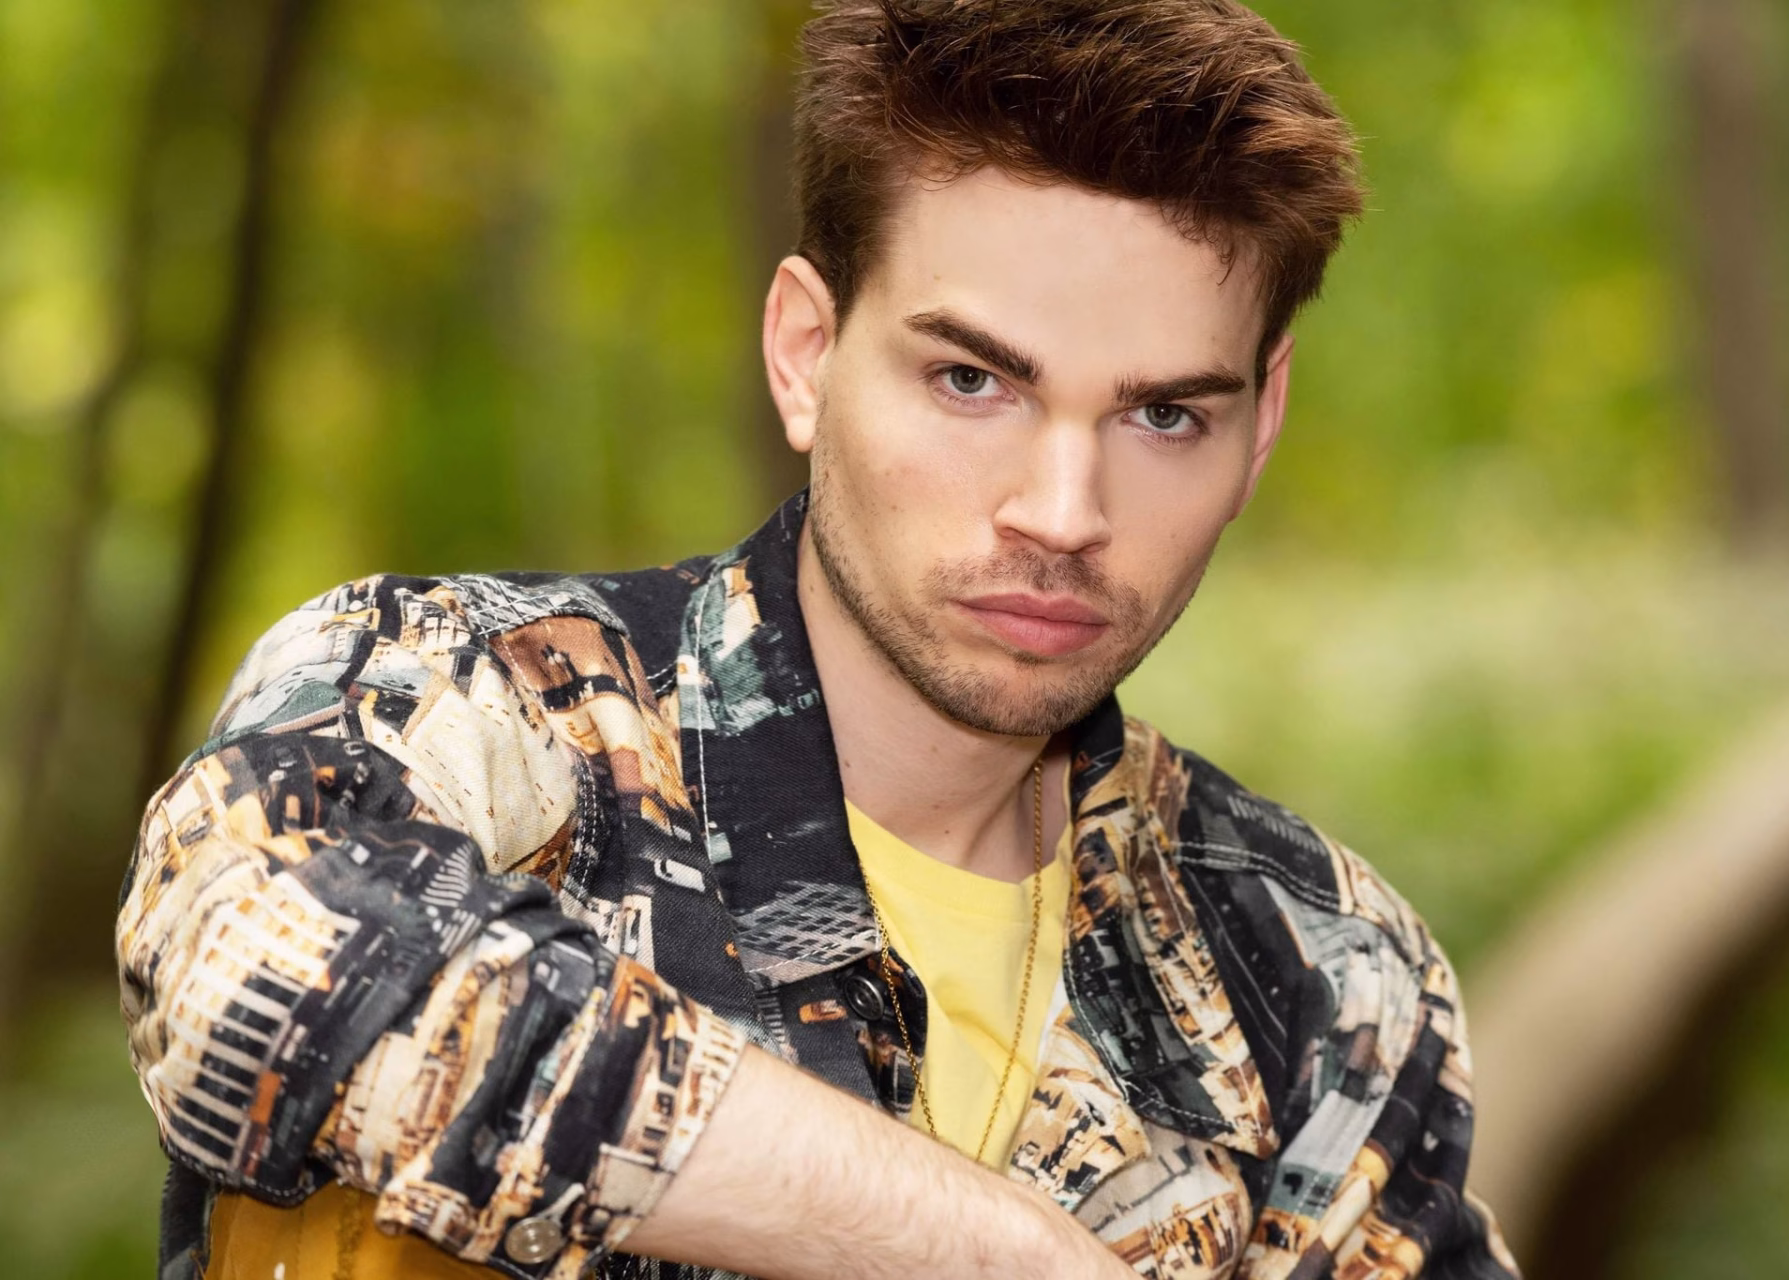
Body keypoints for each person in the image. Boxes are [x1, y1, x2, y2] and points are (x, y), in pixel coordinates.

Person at [117, 2, 1522, 1277]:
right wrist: (989, 1251)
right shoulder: (485, 702)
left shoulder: (1322, 969)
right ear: (805, 353)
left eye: (1164, 416)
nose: (1064, 513)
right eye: (970, 381)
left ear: (1261, 425)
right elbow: (248, 950)